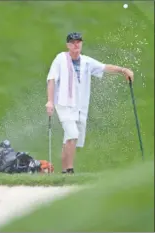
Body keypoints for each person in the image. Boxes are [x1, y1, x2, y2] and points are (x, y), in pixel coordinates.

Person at [45, 32, 134, 174]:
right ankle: (69, 170)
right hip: (64, 104)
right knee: (73, 134)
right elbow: (51, 79)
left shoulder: (86, 61)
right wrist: (50, 101)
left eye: (78, 42)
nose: (76, 45)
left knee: (69, 138)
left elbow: (104, 67)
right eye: (73, 42)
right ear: (68, 45)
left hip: (80, 106)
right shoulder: (60, 59)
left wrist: (123, 70)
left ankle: (63, 172)